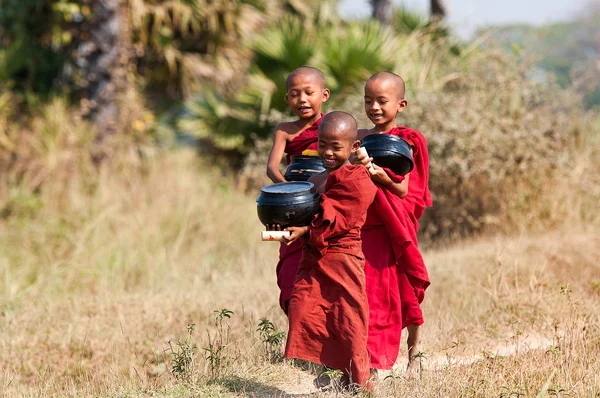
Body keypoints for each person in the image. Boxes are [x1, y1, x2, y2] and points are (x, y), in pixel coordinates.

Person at [282, 111, 377, 390]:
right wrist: (285, 224)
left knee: (348, 320)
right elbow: (304, 213)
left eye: (337, 146)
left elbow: (339, 220)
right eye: (323, 144)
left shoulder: (359, 179)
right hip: (314, 258)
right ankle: (331, 370)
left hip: (343, 258)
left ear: (354, 146)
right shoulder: (315, 179)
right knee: (302, 308)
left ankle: (360, 383)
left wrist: (305, 231)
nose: (328, 152)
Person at [357, 71, 432, 372]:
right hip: (369, 225)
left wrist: (382, 177)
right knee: (370, 292)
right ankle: (369, 362)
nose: (374, 107)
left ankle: (415, 354)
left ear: (401, 104)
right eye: (368, 101)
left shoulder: (408, 140)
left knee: (406, 289)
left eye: (381, 101)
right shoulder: (360, 138)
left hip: (397, 225)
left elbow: (403, 189)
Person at [265, 66, 330, 313]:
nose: (301, 99)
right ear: (287, 99)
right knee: (292, 279)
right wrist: (291, 197)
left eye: (308, 92)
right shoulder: (284, 130)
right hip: (295, 207)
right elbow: (272, 168)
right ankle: (300, 341)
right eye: (294, 94)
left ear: (324, 95)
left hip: (326, 206)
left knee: (326, 278)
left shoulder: (333, 125)